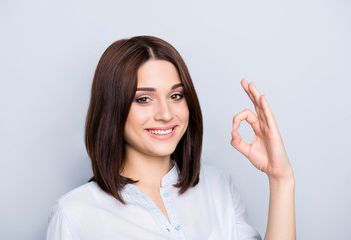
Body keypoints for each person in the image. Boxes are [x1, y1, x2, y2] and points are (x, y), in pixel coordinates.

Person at [46, 36, 295, 240]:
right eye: (143, 99)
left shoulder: (219, 186)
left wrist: (280, 179)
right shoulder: (75, 214)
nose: (166, 114)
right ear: (113, 109)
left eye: (176, 96)